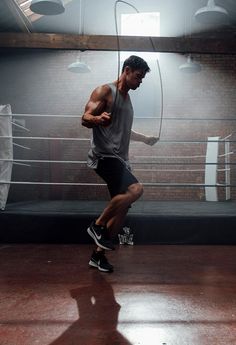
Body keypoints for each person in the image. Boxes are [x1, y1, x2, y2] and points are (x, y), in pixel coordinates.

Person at [82, 55, 159, 273]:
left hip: (120, 160)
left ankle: (97, 256)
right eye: (138, 77)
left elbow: (124, 131)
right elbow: (85, 117)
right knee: (136, 189)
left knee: (123, 208)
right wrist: (98, 119)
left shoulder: (127, 100)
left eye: (143, 79)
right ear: (126, 70)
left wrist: (145, 139)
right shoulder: (105, 91)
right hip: (104, 156)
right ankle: (96, 226)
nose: (140, 82)